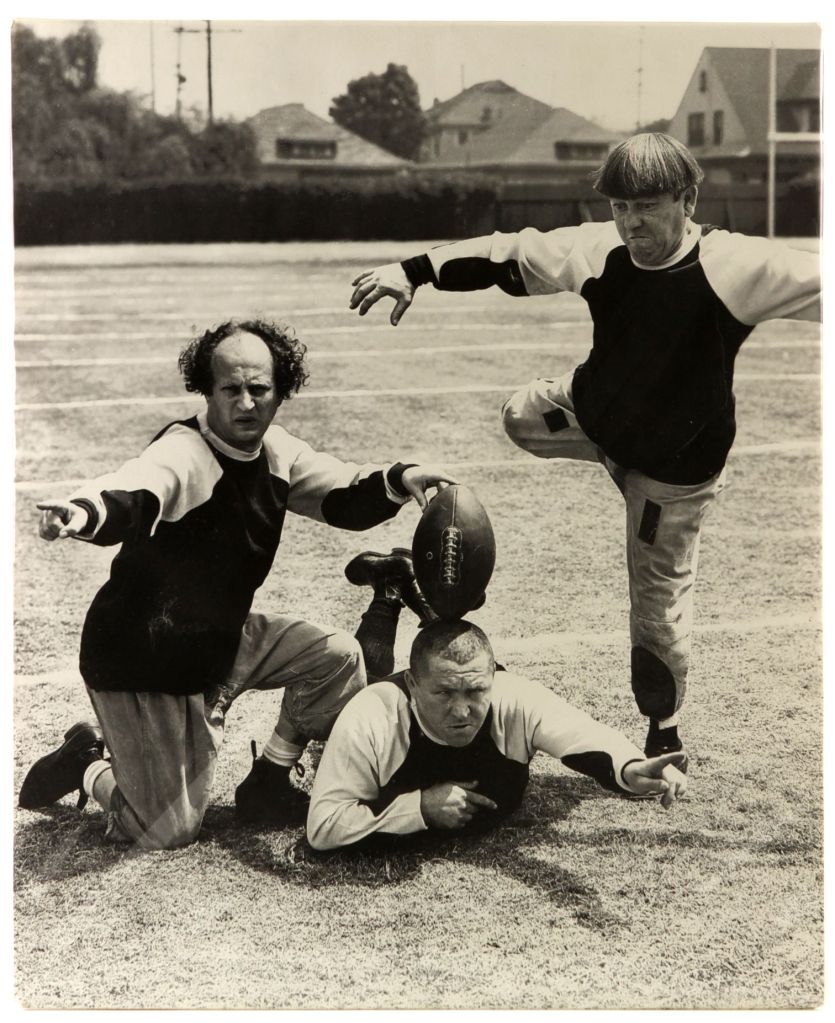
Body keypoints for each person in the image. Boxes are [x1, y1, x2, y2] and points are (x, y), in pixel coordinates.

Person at [347, 132, 821, 766]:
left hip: (673, 469)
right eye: (620, 207)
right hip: (595, 415)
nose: (631, 222)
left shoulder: (737, 266)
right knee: (521, 415)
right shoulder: (602, 248)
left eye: (647, 206)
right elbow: (508, 254)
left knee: (655, 611)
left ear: (688, 200)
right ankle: (608, 443)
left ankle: (664, 726)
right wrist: (413, 271)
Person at [18, 319, 456, 849]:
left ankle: (270, 776)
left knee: (337, 659)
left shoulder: (277, 452)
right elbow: (136, 490)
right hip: (140, 656)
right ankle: (88, 760)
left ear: (281, 392)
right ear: (206, 390)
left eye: (259, 389)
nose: (246, 404)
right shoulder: (186, 453)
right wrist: (84, 512)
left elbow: (343, 494)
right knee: (167, 831)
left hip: (218, 639)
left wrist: (401, 477)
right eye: (230, 389)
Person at [306, 616, 687, 851]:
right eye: (443, 693)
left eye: (475, 691)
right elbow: (323, 827)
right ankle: (385, 601)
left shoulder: (513, 696)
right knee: (362, 684)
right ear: (413, 685)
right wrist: (418, 809)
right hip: (368, 706)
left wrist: (631, 768)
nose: (461, 711)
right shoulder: (373, 717)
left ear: (493, 677)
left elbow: (581, 734)